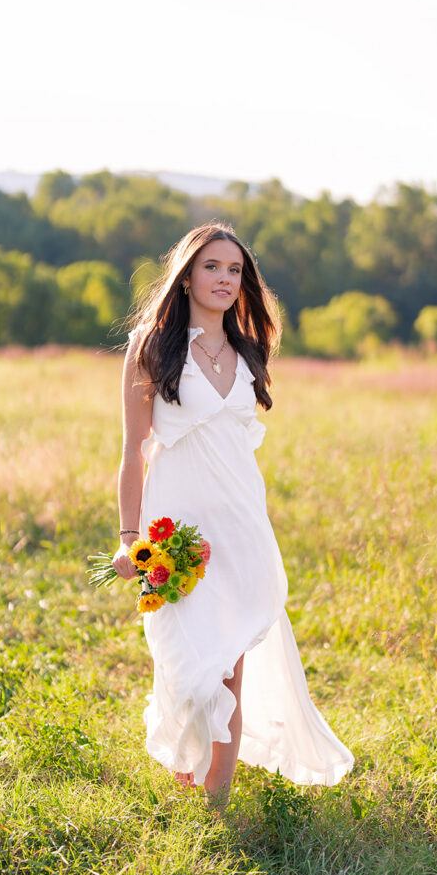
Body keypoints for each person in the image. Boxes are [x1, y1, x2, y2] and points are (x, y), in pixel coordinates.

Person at [112, 221, 354, 808]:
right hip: (177, 534)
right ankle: (186, 776)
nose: (224, 279)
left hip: (242, 528)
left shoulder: (250, 349)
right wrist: (128, 537)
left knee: (228, 670)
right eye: (212, 267)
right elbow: (132, 451)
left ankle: (214, 806)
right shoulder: (151, 346)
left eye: (235, 270)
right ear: (186, 275)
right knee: (186, 665)